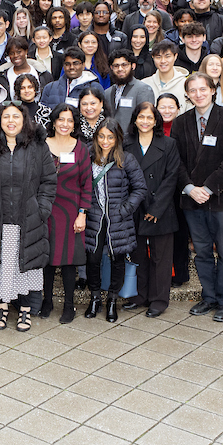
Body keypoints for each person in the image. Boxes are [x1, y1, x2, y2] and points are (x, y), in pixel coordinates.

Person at [0, 102, 57, 332]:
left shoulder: (37, 147)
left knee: (27, 264)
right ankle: (1, 307)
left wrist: (41, 209)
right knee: (2, 263)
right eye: (6, 117)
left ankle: (25, 311)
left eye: (16, 117)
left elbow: (49, 181)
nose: (11, 121)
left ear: (25, 121)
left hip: (28, 218)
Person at [175, 72, 223, 322]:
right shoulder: (180, 122)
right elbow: (177, 162)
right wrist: (189, 188)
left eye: (203, 89)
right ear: (187, 94)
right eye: (192, 90)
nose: (198, 94)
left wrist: (207, 188)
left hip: (221, 197)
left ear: (213, 90)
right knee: (202, 252)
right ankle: (209, 297)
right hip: (191, 198)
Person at [83, 119, 147, 323]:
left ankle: (112, 300)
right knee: (92, 259)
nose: (105, 141)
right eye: (101, 136)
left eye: (110, 137)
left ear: (117, 138)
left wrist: (125, 209)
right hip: (94, 218)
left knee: (117, 259)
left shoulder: (126, 159)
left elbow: (140, 188)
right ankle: (94, 298)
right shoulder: (88, 156)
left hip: (118, 219)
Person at [124, 102, 181, 317]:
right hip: (135, 207)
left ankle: (159, 299)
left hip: (161, 209)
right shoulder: (126, 143)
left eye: (150, 117)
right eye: (141, 117)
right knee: (137, 254)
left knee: (161, 257)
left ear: (156, 120)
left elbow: (171, 177)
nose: (145, 121)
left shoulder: (168, 144)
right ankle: (140, 295)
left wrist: (156, 209)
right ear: (135, 119)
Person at [40, 104, 92, 323]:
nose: (65, 124)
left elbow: (86, 184)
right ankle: (47, 301)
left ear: (75, 124)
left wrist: (83, 213)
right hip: (46, 210)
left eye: (70, 120)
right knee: (47, 259)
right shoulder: (42, 146)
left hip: (71, 212)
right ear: (53, 122)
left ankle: (69, 305)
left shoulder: (81, 148)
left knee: (70, 261)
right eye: (61, 119)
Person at [104, 49, 155, 132]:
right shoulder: (107, 92)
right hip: (111, 140)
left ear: (133, 66)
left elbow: (147, 119)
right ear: (111, 68)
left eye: (124, 65)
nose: (120, 69)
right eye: (116, 66)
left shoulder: (143, 89)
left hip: (133, 140)